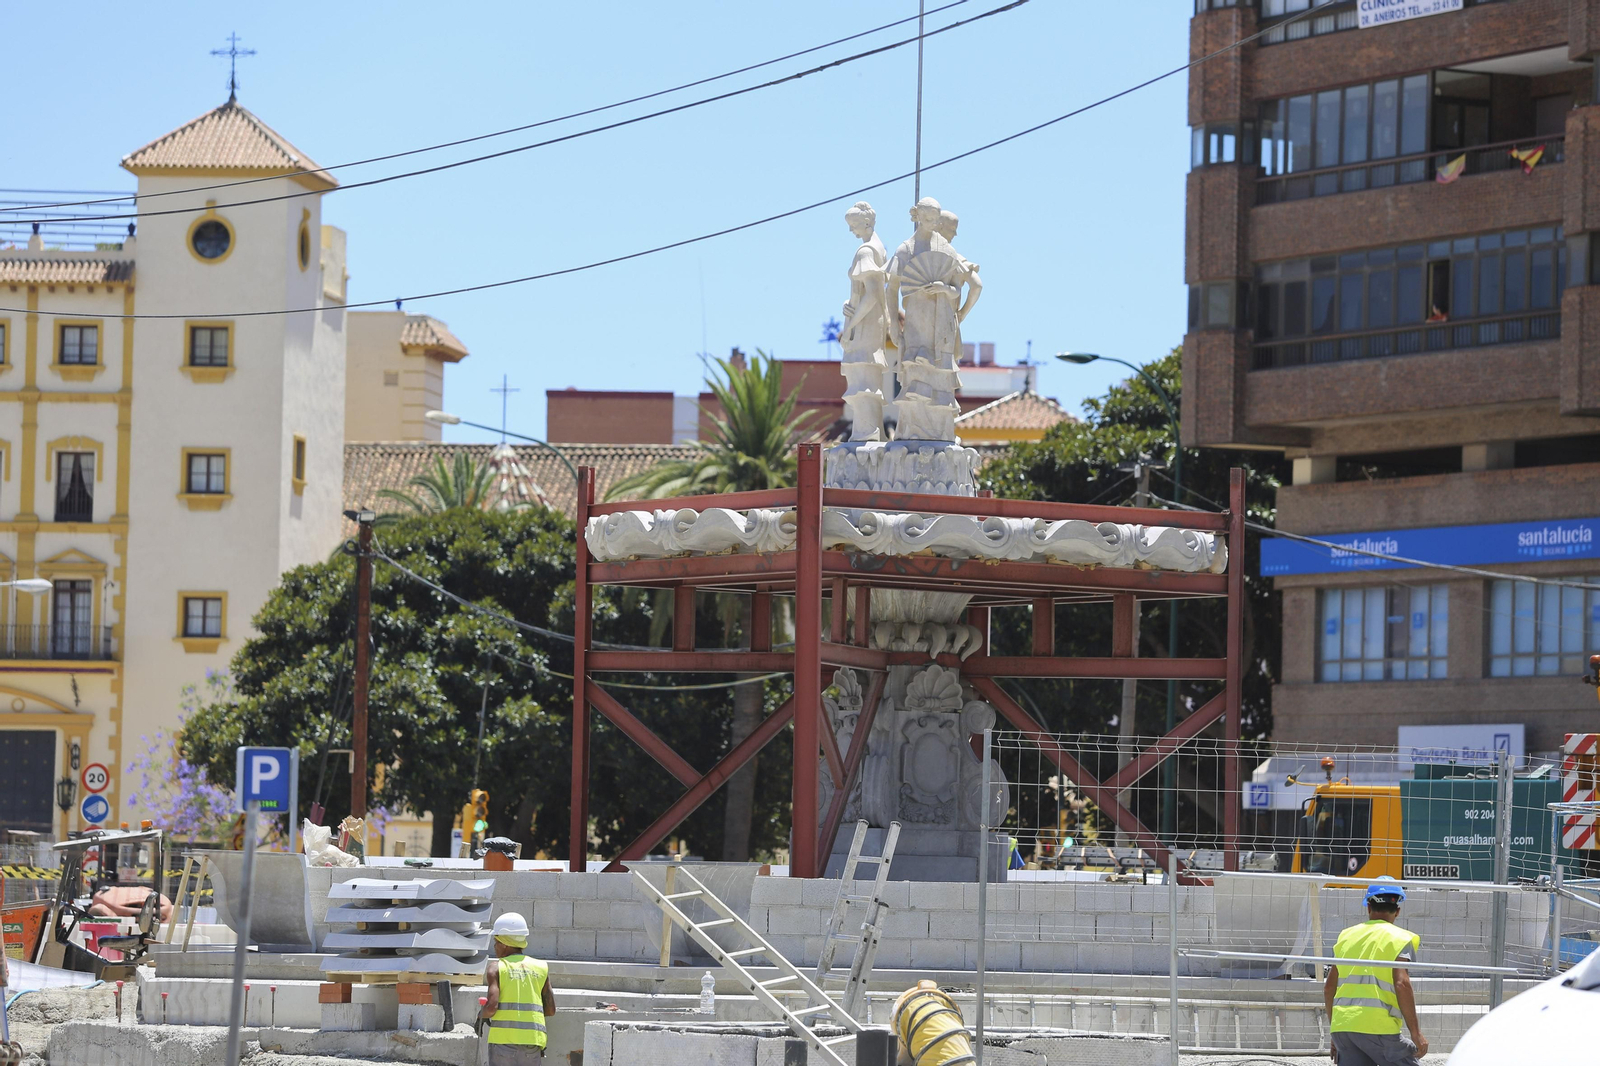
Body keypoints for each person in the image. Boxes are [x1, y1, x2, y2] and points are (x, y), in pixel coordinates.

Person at [1324, 877, 1428, 1065]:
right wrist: (1416, 1033)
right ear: (1397, 911)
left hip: (1343, 1028)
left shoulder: (1346, 936)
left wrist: (1336, 1031)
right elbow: (1402, 983)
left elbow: (1329, 987)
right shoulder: (1401, 938)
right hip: (1379, 1028)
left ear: (1369, 907)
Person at [479, 912, 555, 1064]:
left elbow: (491, 1007)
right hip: (532, 1045)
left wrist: (480, 1015)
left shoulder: (497, 968)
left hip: (503, 1045)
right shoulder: (541, 967)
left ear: (505, 943)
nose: (494, 946)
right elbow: (550, 1010)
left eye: (496, 942)